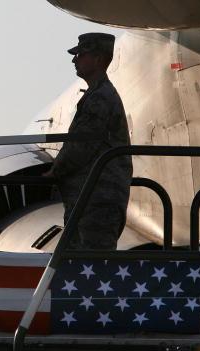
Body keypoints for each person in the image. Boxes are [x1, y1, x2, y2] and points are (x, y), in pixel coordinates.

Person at [43, 33, 132, 250]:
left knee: (91, 266)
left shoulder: (100, 98)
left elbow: (81, 146)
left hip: (96, 200)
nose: (75, 60)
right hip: (91, 198)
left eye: (81, 55)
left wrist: (54, 172)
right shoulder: (98, 94)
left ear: (98, 59)